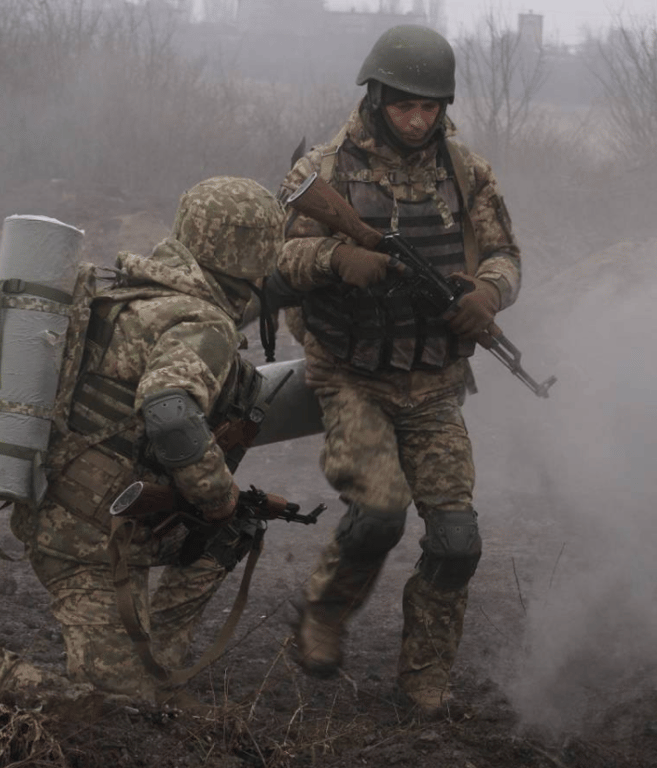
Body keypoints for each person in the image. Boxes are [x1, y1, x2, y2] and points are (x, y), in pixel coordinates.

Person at [0, 176, 288, 711]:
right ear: (254, 255)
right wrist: (217, 495)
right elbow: (169, 413)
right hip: (90, 540)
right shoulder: (201, 322)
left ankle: (157, 669)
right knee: (108, 712)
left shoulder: (129, 293)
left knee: (230, 531)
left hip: (80, 509)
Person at [272, 24, 522, 716]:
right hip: (349, 374)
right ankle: (324, 613)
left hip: (435, 381)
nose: (417, 121)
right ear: (378, 96)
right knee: (380, 512)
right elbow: (280, 263)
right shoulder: (324, 170)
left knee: (456, 540)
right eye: (404, 106)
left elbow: (505, 254)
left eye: (429, 108)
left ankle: (425, 676)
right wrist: (334, 260)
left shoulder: (467, 172)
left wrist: (488, 294)